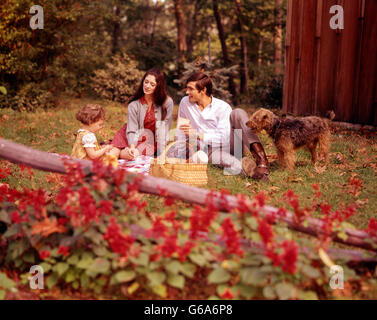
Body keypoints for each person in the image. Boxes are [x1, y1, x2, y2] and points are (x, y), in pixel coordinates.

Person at [176, 72, 269, 180]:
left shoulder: (222, 107)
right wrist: (180, 156)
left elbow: (224, 139)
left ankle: (261, 158)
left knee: (238, 113)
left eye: (191, 89)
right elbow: (181, 130)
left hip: (232, 144)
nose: (187, 92)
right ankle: (253, 173)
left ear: (203, 90)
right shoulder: (185, 103)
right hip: (209, 151)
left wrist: (198, 135)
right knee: (230, 162)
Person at [110, 68, 174, 160]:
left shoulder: (167, 102)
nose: (147, 86)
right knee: (112, 155)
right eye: (146, 82)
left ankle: (121, 152)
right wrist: (132, 146)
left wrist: (162, 151)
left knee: (132, 156)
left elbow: (165, 128)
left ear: (158, 86)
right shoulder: (134, 105)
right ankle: (118, 150)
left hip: (149, 141)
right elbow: (131, 129)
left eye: (152, 84)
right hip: (129, 135)